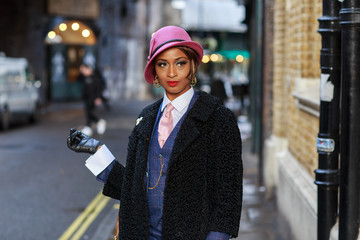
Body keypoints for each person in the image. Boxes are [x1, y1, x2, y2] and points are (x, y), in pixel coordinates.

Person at [67, 26, 243, 240]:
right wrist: (97, 151)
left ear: (193, 66)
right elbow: (133, 187)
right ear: (154, 72)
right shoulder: (146, 118)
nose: (171, 73)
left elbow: (228, 196)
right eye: (162, 64)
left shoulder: (218, 119)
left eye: (180, 63)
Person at [77, 63, 107, 136]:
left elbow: (100, 89)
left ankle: (97, 122)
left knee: (90, 113)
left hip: (93, 99)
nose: (83, 72)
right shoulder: (84, 78)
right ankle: (89, 127)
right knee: (88, 113)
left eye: (85, 70)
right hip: (87, 99)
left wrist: (99, 98)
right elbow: (78, 79)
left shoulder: (95, 78)